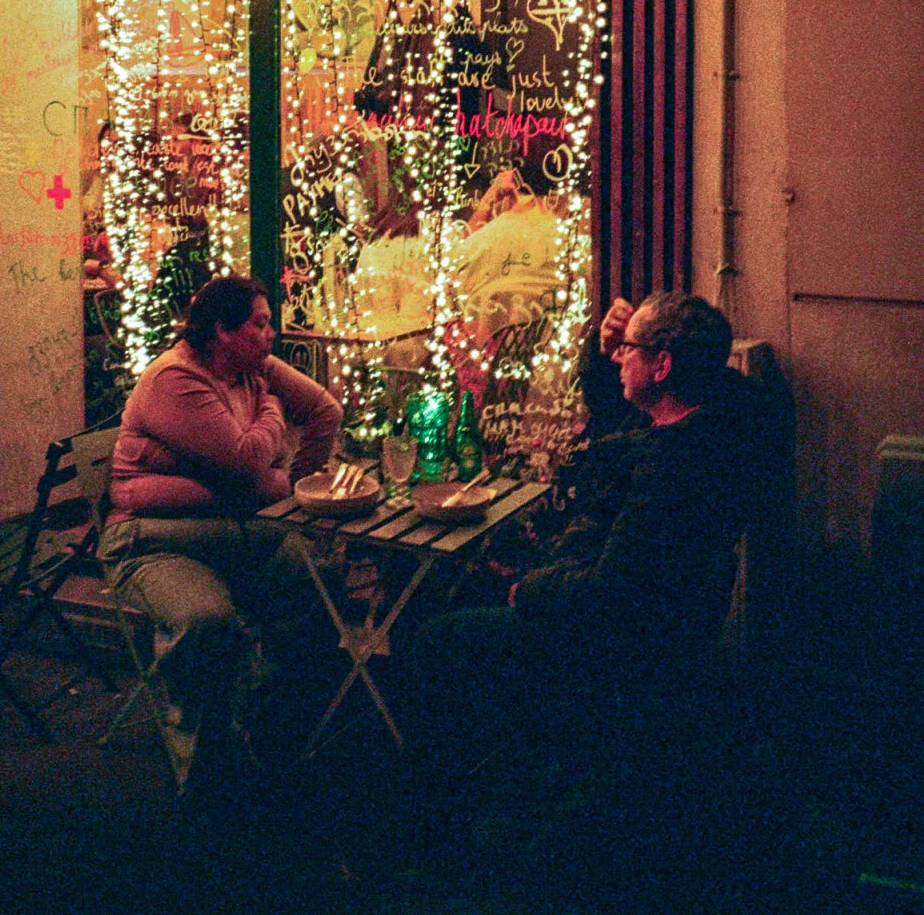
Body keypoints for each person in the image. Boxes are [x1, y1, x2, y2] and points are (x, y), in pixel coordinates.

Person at [402, 291, 768, 765]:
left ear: (661, 367)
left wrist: (527, 589)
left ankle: (447, 792)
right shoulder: (697, 422)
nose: (617, 355)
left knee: (436, 635)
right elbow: (610, 402)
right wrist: (603, 348)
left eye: (628, 349)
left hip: (609, 641)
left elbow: (608, 591)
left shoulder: (669, 470)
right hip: (615, 598)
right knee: (452, 579)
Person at [98, 275, 342, 793]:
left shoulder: (255, 367)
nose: (271, 333)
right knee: (206, 619)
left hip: (232, 532)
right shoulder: (175, 380)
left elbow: (325, 411)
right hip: (155, 541)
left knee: (313, 570)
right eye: (260, 323)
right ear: (223, 332)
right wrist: (272, 414)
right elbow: (244, 460)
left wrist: (296, 487)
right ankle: (207, 761)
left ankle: (259, 709)